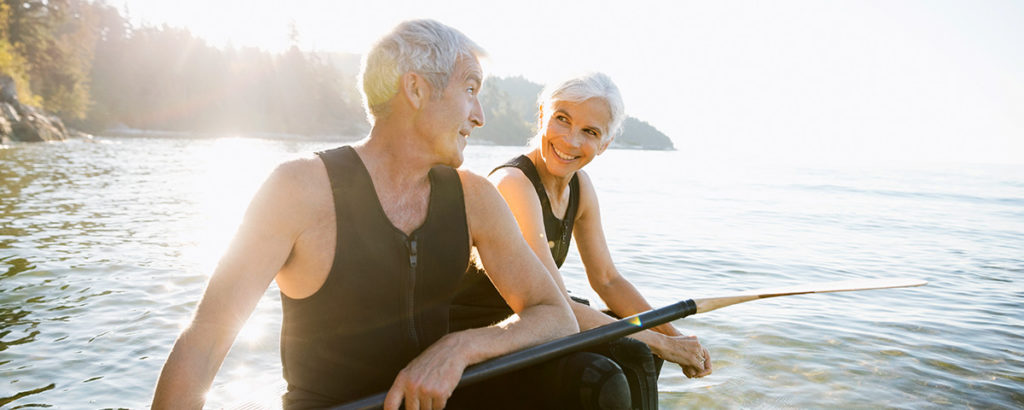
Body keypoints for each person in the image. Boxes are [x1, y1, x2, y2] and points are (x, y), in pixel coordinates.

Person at [151, 20, 580, 410]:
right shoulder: (298, 189)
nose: (480, 115)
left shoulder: (475, 197)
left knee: (595, 379)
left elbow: (554, 315)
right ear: (415, 89)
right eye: (470, 89)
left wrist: (460, 348)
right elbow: (204, 342)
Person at [451, 73, 713, 409]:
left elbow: (607, 279)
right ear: (542, 115)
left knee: (641, 341)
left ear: (605, 144)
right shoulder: (513, 183)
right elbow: (553, 303)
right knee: (632, 350)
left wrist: (676, 339)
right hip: (491, 330)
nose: (571, 141)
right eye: (562, 119)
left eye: (589, 132)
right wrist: (659, 343)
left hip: (539, 324)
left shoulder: (580, 187)